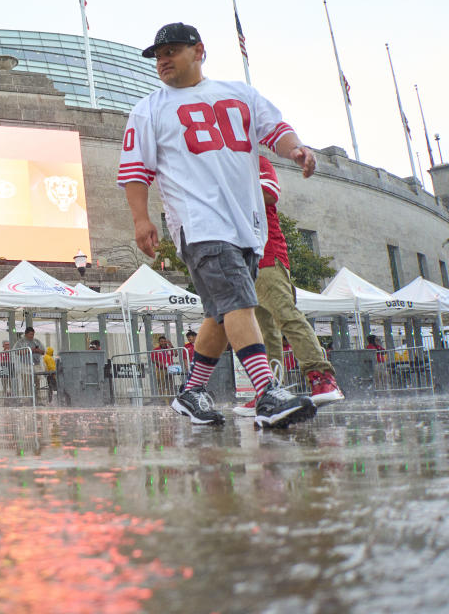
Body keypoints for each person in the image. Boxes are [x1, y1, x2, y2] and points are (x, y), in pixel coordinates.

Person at [119, 22, 317, 428]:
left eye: (171, 51)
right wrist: (141, 219)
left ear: (199, 50)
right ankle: (267, 393)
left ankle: (192, 391)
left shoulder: (239, 93)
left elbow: (275, 129)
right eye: (158, 56)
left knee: (221, 313)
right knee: (240, 305)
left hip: (245, 225)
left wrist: (295, 148)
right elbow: (135, 169)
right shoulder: (149, 108)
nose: (163, 61)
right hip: (200, 223)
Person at [247, 155, 344, 409]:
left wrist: (227, 189)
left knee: (286, 316)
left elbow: (269, 192)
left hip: (268, 256)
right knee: (264, 332)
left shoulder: (255, 161)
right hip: (244, 263)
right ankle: (270, 390)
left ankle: (322, 376)